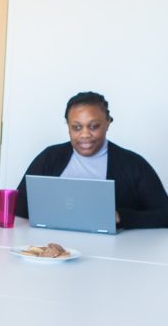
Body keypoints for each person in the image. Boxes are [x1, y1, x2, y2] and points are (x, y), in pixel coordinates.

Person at [15, 91, 168, 228]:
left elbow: (164, 214)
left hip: (114, 252)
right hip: (55, 247)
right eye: (77, 127)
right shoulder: (50, 157)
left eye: (94, 126)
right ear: (68, 126)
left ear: (107, 123)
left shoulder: (133, 165)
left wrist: (120, 216)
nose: (85, 134)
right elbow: (18, 204)